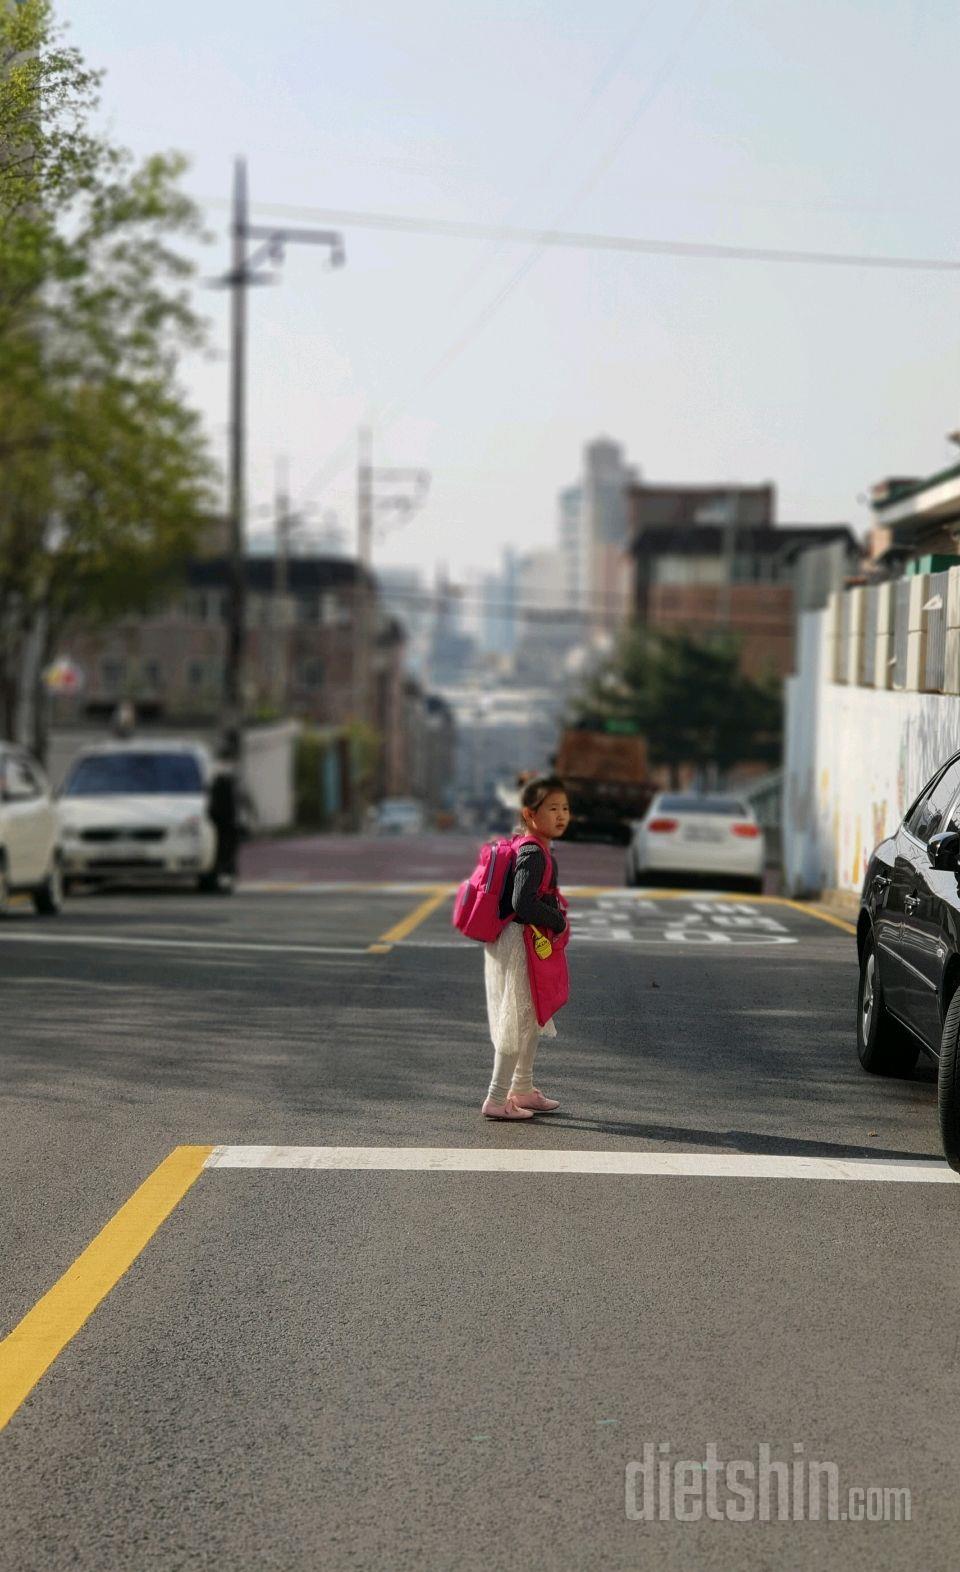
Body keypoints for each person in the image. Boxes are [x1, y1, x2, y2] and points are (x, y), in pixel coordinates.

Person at [482, 773, 571, 1120]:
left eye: (564, 808)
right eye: (551, 808)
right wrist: (558, 920)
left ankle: (522, 1088)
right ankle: (496, 1097)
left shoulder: (534, 847)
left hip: (524, 941)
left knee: (531, 1017)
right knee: (515, 1020)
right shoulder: (533, 853)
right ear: (530, 815)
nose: (561, 815)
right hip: (520, 942)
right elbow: (523, 903)